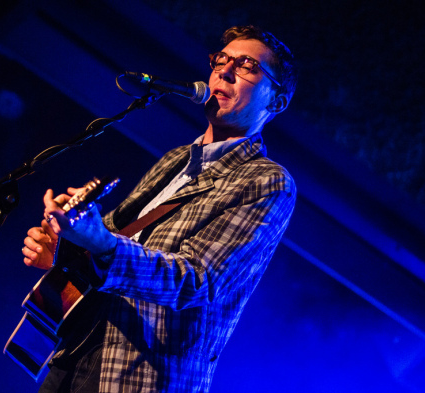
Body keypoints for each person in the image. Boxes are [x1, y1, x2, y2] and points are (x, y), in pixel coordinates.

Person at [22, 25, 298, 392]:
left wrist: (99, 242)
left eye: (247, 66)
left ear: (276, 101)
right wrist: (65, 244)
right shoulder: (176, 159)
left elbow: (197, 281)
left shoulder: (266, 182)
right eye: (222, 60)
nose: (225, 71)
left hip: (140, 373)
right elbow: (116, 240)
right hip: (76, 346)